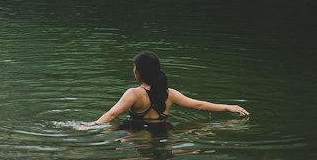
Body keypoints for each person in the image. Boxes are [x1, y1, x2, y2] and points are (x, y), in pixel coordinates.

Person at [89, 50, 248, 128]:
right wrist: (226, 107)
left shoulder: (134, 93)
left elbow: (112, 113)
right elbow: (199, 105)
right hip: (163, 131)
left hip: (136, 131)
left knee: (115, 135)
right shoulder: (170, 93)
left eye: (134, 67)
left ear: (139, 72)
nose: (133, 70)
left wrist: (91, 126)